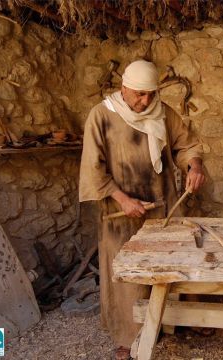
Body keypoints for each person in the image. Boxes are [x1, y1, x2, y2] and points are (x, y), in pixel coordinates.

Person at [79, 60, 205, 360]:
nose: (145, 100)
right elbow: (93, 169)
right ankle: (128, 334)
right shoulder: (101, 116)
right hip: (119, 211)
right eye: (139, 94)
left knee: (170, 266)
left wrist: (194, 165)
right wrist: (122, 199)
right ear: (123, 88)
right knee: (126, 274)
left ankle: (178, 322)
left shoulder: (163, 113)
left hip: (161, 205)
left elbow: (185, 145)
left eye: (151, 93)